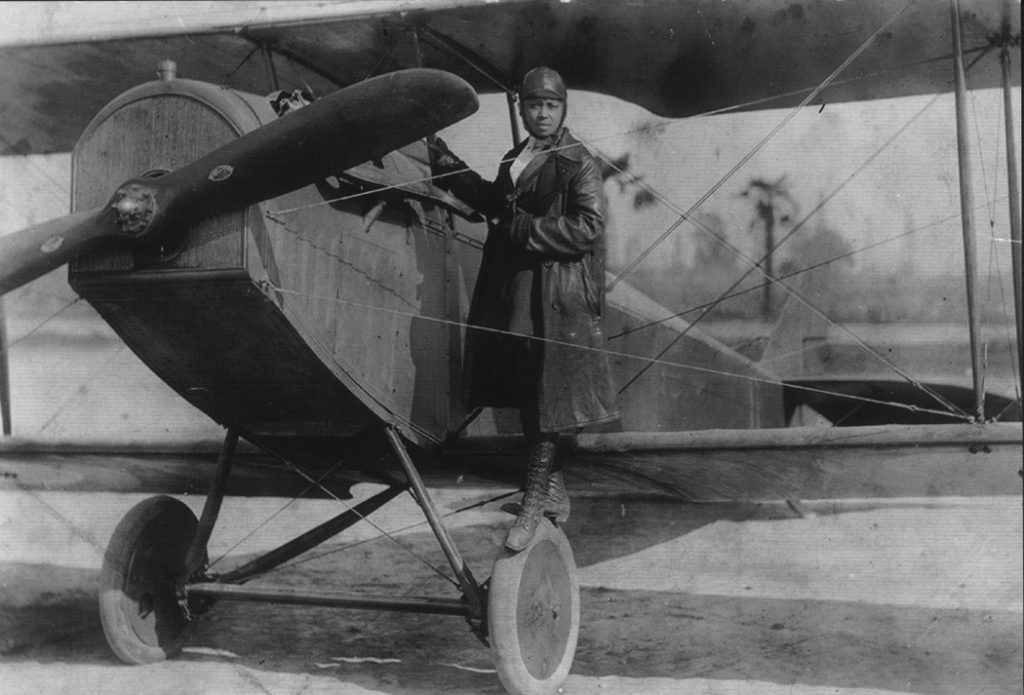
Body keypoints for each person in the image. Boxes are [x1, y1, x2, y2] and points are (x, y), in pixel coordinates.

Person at [430, 66, 619, 551]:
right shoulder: (518, 155)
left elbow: (588, 228)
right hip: (517, 290)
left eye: (550, 106)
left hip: (554, 296)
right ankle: (552, 493)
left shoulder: (578, 162)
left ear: (563, 110)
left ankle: (534, 502)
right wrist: (443, 160)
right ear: (522, 108)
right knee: (526, 388)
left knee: (543, 397)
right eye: (534, 105)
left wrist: (523, 231)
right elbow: (495, 201)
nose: (541, 113)